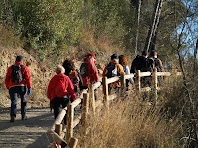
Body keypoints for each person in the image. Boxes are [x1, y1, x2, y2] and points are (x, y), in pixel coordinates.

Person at [5, 55, 32, 122]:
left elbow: (7, 79)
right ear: (22, 61)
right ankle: (23, 115)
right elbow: (28, 78)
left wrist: (8, 87)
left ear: (15, 60)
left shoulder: (10, 68)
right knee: (23, 101)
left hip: (12, 86)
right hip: (22, 86)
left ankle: (13, 116)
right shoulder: (24, 68)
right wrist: (29, 87)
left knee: (14, 101)